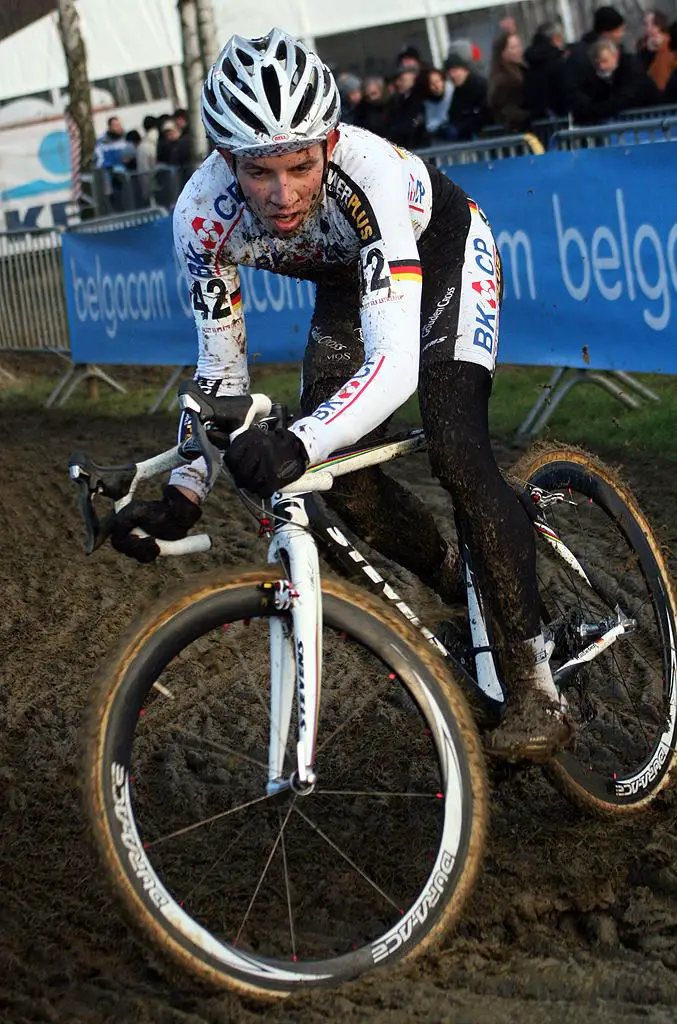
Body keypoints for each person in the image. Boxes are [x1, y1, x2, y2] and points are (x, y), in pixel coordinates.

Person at [110, 27, 571, 763]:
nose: (283, 193)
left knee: (454, 446)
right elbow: (219, 375)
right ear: (226, 160)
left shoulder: (366, 173)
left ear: (327, 142)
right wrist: (184, 491)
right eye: (260, 173)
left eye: (300, 166)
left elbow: (394, 369)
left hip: (440, 248)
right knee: (341, 484)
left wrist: (295, 441)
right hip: (345, 284)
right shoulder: (199, 218)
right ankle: (459, 577)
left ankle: (534, 683)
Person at [523, 21, 568, 119]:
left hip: (540, 120)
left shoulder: (530, 64)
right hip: (560, 117)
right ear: (556, 39)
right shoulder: (558, 63)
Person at [488, 31, 531, 130]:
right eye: (513, 48)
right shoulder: (504, 81)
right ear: (502, 53)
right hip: (516, 132)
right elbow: (508, 111)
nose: (518, 50)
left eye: (519, 46)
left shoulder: (523, 71)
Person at [441, 51, 490, 141]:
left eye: (455, 71)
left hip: (487, 134)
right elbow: (453, 113)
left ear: (464, 70)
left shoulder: (478, 85)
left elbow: (483, 114)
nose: (452, 75)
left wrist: (461, 127)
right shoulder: (458, 90)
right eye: (449, 73)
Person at [420, 66, 455, 140]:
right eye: (432, 84)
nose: (436, 86)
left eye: (438, 81)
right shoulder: (425, 101)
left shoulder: (452, 91)